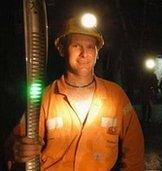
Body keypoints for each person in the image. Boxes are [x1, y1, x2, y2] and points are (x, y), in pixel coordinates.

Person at [5, 14, 145, 170]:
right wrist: (16, 150)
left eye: (90, 47)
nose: (84, 54)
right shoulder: (44, 98)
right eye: (76, 46)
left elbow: (135, 152)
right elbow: (14, 143)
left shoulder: (116, 96)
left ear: (97, 53)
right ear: (62, 50)